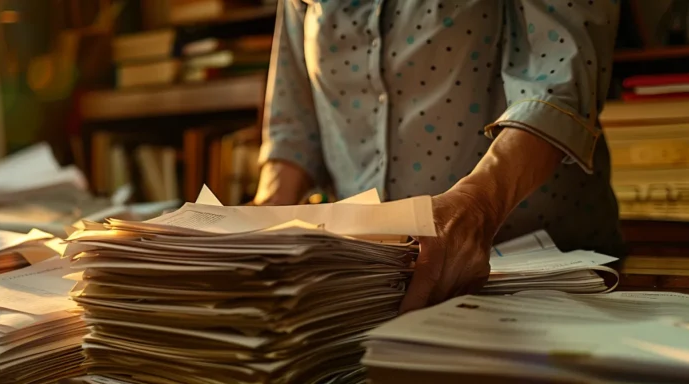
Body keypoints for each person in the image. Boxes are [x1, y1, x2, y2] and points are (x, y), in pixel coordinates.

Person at [253, 0, 626, 313]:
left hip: (539, 273)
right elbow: (294, 126)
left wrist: (477, 206)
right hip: (369, 286)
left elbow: (559, 85)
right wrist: (251, 229)